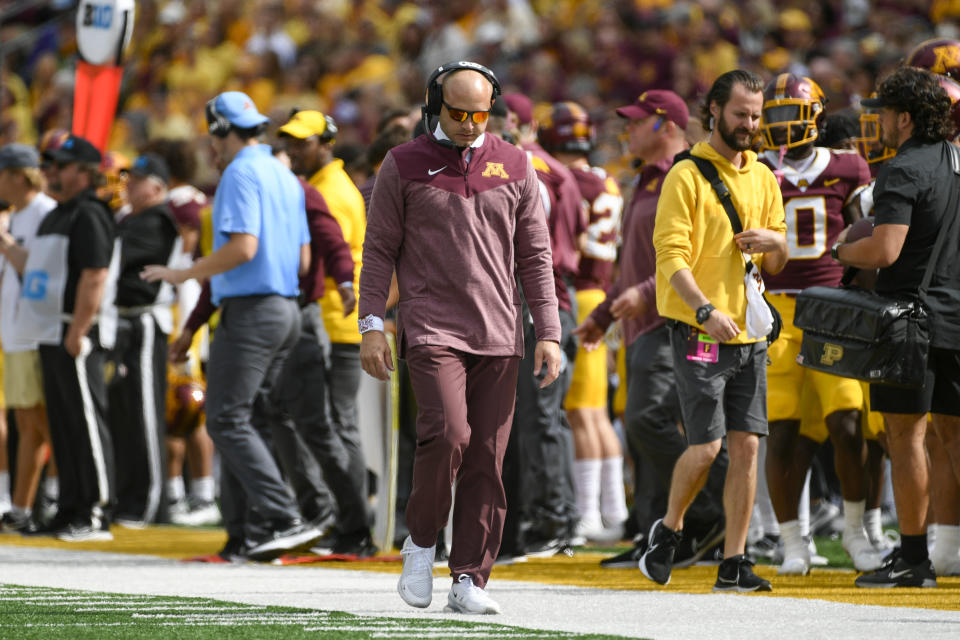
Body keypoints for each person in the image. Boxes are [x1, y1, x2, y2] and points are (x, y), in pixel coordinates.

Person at [359, 62, 561, 614]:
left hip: (500, 330)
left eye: (481, 113)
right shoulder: (402, 163)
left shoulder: (518, 164)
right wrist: (371, 324)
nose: (471, 124)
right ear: (434, 106)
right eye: (458, 112)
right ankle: (422, 542)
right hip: (431, 326)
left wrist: (550, 332)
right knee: (449, 434)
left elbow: (536, 256)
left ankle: (470, 577)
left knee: (488, 459)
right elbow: (377, 251)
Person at [142, 91, 321, 562]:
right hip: (284, 306)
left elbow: (242, 248)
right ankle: (247, 533)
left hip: (251, 310)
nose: (210, 148)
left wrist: (184, 272)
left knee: (224, 418)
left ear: (221, 129)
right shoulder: (284, 174)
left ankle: (283, 517)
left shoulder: (240, 172)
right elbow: (303, 259)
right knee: (249, 421)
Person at [639, 69, 788, 591]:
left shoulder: (765, 177)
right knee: (706, 447)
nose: (749, 124)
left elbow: (776, 263)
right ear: (714, 112)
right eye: (740, 113)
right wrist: (704, 311)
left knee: (748, 447)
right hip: (702, 330)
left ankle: (734, 561)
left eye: (755, 114)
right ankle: (669, 530)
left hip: (748, 332)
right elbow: (669, 255)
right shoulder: (685, 176)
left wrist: (776, 242)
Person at [575, 90, 728, 569]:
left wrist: (644, 291)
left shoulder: (684, 175)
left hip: (673, 318)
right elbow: (634, 261)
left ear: (665, 125)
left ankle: (708, 514)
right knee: (641, 430)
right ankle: (653, 532)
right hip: (642, 324)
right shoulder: (644, 181)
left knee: (648, 420)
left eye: (637, 122)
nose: (627, 130)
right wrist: (604, 314)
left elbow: (695, 250)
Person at [834, 66, 960, 588]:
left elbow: (885, 249)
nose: (878, 120)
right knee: (954, 436)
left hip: (913, 319)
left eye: (884, 111)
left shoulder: (903, 167)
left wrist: (842, 248)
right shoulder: (954, 162)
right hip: (956, 314)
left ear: (904, 117)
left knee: (906, 436)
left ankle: (912, 556)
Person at [756, 73, 883, 575]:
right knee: (783, 430)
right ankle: (792, 541)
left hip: (834, 308)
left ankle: (856, 532)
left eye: (792, 114)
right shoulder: (758, 169)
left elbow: (868, 230)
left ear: (816, 118)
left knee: (848, 422)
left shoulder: (849, 166)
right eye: (776, 116)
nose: (783, 126)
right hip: (778, 312)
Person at [14, 134, 120, 542]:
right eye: (50, 166)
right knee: (63, 424)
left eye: (60, 166)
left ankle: (95, 511)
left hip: (74, 329)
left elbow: (95, 274)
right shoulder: (58, 213)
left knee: (86, 421)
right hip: (50, 329)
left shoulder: (89, 213)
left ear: (85, 172)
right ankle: (71, 508)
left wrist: (78, 329)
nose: (51, 172)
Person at [538, 101, 628, 543]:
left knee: (583, 412)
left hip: (583, 294)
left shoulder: (566, 180)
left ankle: (591, 513)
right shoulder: (606, 179)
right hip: (604, 291)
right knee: (599, 411)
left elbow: (567, 239)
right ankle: (614, 509)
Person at [277, 110, 369, 537]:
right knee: (328, 424)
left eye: (304, 142)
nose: (296, 149)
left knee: (335, 426)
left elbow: (330, 257)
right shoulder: (324, 185)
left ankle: (350, 523)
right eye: (292, 141)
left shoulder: (329, 191)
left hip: (335, 320)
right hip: (336, 318)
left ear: (325, 143)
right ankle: (343, 518)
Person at [502, 91, 583, 554]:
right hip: (558, 296)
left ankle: (553, 518)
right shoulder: (561, 171)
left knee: (537, 419)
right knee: (546, 418)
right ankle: (553, 516)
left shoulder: (515, 166)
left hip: (537, 302)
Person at [107, 153, 180, 527]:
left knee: (144, 413)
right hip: (124, 323)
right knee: (125, 413)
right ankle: (129, 497)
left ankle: (150, 501)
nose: (128, 186)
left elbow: (118, 263)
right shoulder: (132, 219)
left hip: (145, 322)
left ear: (156, 186)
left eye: (136, 180)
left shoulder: (158, 219)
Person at [0, 143, 57, 532]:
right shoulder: (20, 214)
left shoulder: (44, 213)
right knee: (26, 424)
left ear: (19, 175)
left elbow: (40, 273)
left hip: (37, 332)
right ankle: (21, 509)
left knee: (45, 423)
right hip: (17, 333)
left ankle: (60, 499)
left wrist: (4, 243)